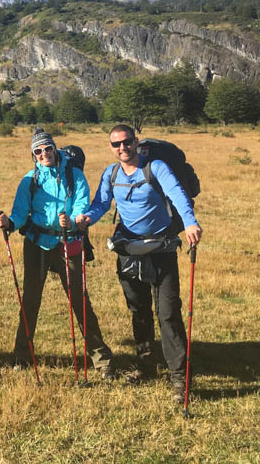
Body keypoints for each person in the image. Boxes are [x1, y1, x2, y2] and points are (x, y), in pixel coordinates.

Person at [75, 124, 202, 404]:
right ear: (110, 147)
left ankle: (180, 378)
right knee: (138, 309)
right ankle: (146, 365)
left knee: (168, 313)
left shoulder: (156, 168)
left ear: (137, 142)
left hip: (161, 248)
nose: (122, 148)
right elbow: (101, 204)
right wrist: (87, 218)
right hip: (129, 250)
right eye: (116, 144)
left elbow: (178, 194)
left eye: (127, 142)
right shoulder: (111, 173)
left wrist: (190, 222)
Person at [0, 128, 114, 378]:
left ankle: (102, 360)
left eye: (47, 148)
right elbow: (20, 213)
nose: (43, 154)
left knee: (80, 301)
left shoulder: (74, 175)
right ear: (33, 155)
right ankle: (21, 356)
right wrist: (9, 223)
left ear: (54, 148)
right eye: (37, 151)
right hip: (37, 244)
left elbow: (82, 205)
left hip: (67, 242)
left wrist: (71, 220)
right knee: (30, 301)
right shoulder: (30, 179)